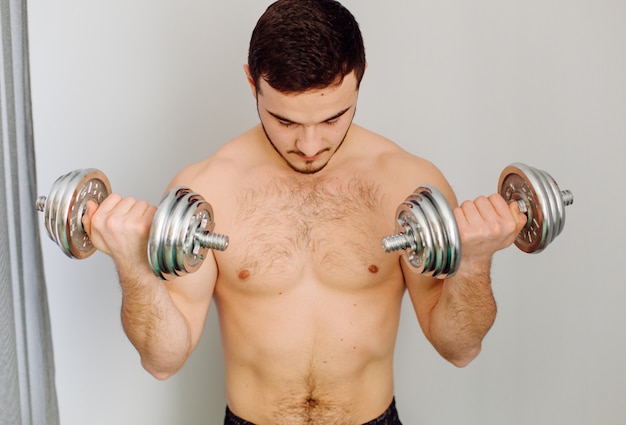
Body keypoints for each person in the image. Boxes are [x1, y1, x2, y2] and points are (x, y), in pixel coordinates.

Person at [83, 0, 527, 423]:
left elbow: (460, 348)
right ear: (251, 82)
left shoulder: (406, 186)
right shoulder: (205, 191)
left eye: (333, 118)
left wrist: (474, 261)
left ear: (361, 78)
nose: (310, 146)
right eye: (287, 121)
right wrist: (133, 267)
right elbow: (163, 360)